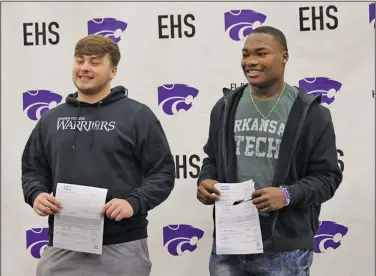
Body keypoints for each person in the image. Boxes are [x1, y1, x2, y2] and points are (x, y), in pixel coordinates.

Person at [21, 34, 175, 276]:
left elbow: (163, 173)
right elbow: (33, 169)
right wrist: (36, 194)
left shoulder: (138, 116)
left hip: (122, 245)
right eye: (79, 60)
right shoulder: (50, 120)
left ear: (113, 70)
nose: (84, 68)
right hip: (64, 245)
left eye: (94, 62)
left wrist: (132, 203)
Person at [196, 26, 343, 275]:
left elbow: (327, 178)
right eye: (245, 54)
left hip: (285, 249)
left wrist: (286, 195)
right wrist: (205, 181)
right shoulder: (224, 107)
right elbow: (213, 160)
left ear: (284, 56)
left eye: (261, 53)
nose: (251, 61)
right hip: (230, 243)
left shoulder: (311, 114)